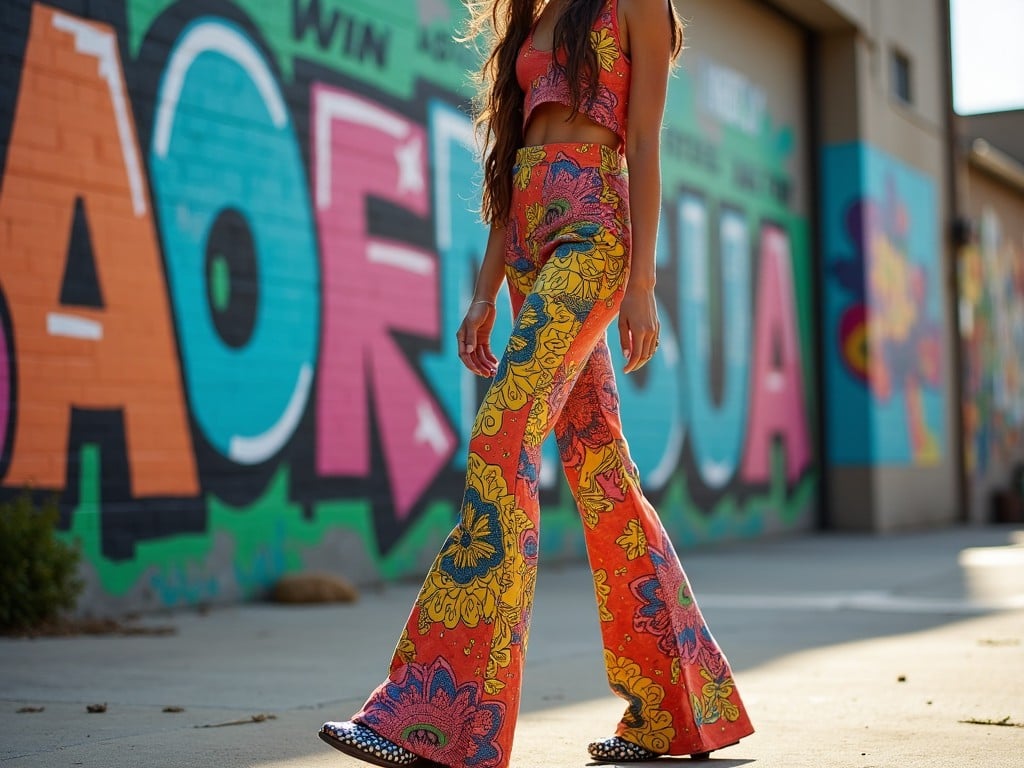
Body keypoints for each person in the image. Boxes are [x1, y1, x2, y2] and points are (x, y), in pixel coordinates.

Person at [319, 0, 754, 765]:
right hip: (527, 241)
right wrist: (487, 291)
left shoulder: (637, 5)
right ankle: (678, 711)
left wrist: (644, 282)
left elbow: (644, 141)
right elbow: (509, 165)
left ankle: (435, 717)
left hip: (593, 232)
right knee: (601, 474)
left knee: (501, 438)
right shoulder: (534, 12)